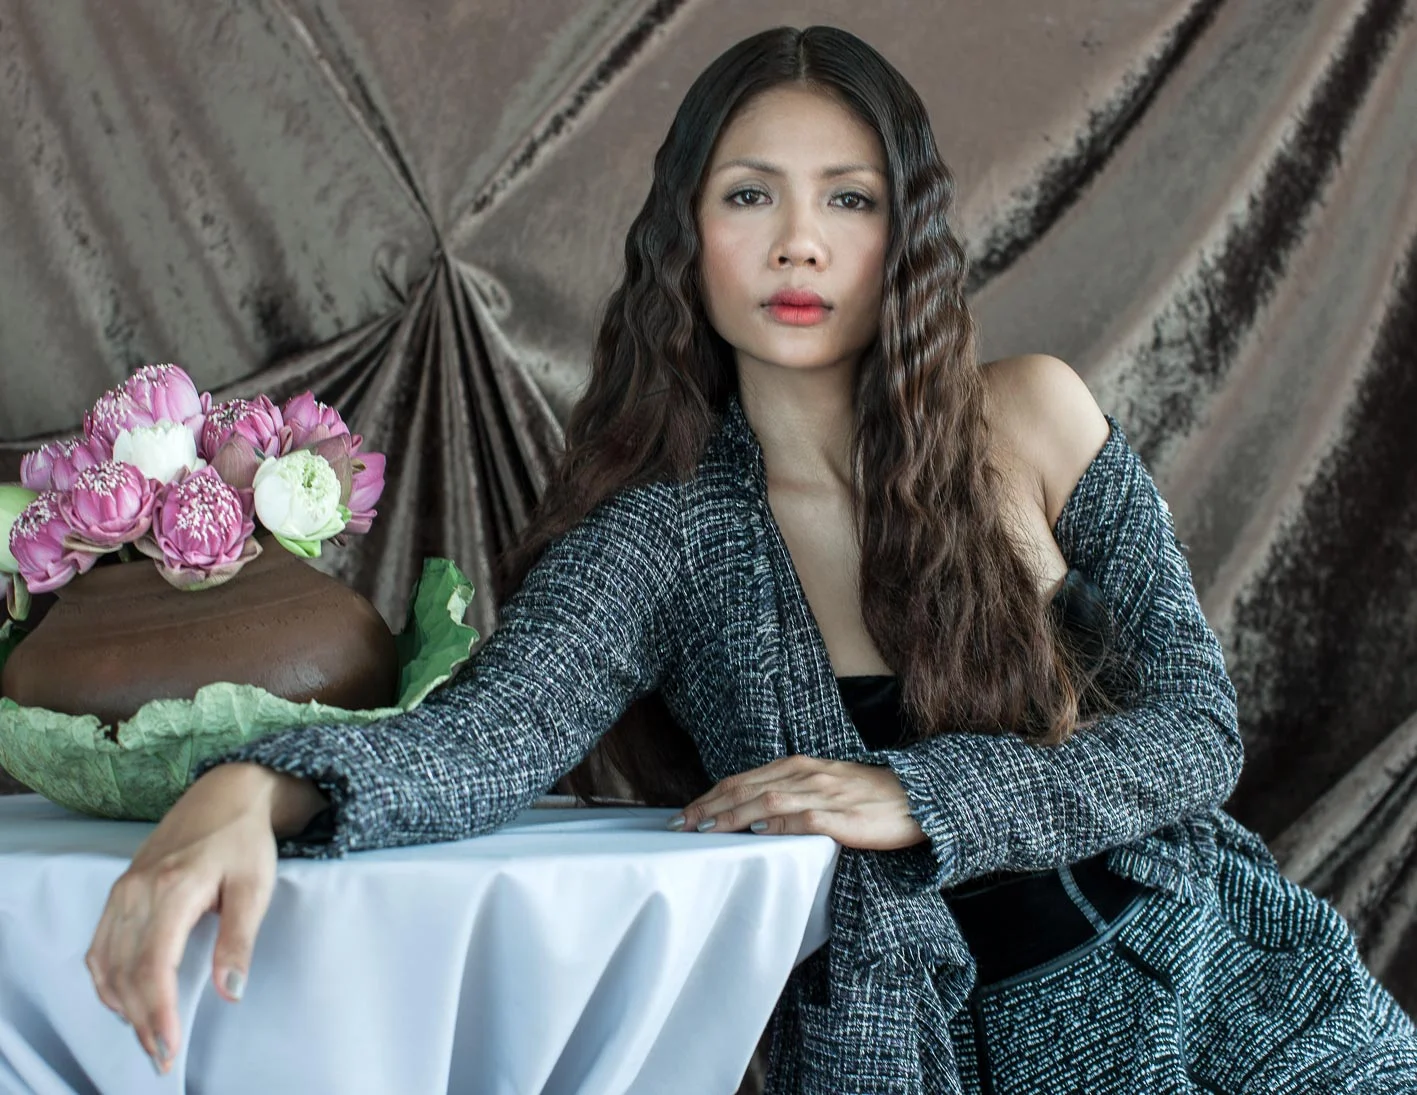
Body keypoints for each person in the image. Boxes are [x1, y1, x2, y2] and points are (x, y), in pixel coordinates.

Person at [84, 24, 1417, 1093]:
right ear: (689, 236)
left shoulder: (1034, 416)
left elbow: (1194, 735)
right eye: (749, 196)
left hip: (1238, 989)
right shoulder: (665, 538)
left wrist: (919, 794)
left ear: (906, 233)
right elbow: (482, 740)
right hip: (927, 1053)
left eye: (849, 198)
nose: (799, 241)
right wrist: (249, 788)